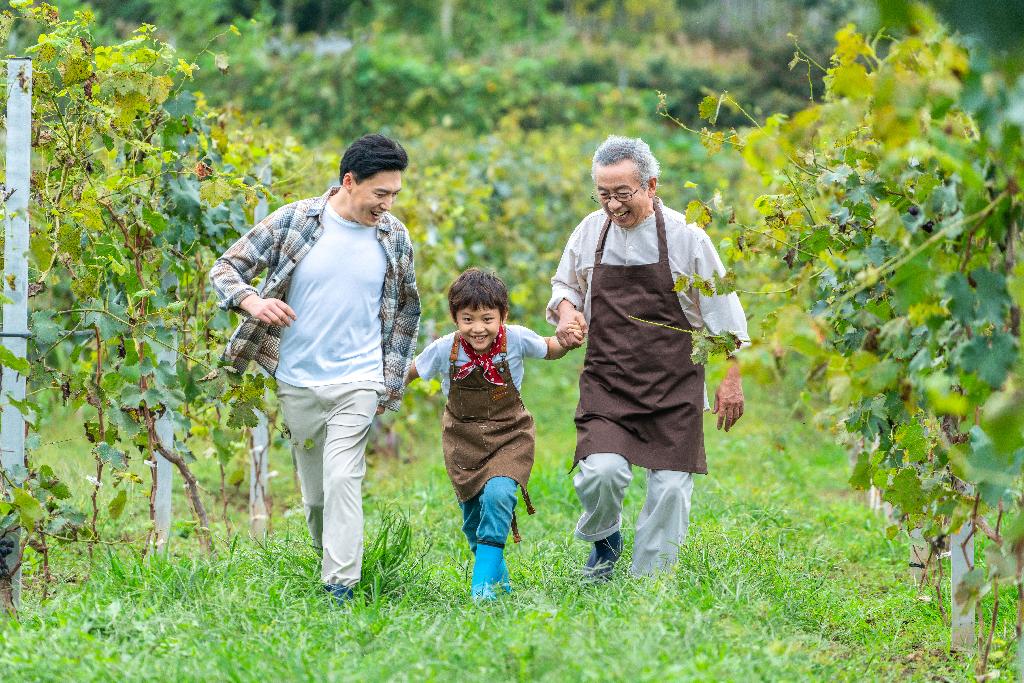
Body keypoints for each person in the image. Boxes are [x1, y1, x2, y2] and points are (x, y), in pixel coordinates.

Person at [209, 134, 420, 604]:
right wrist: (252, 302)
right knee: (318, 497)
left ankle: (340, 586)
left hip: (359, 378)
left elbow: (407, 308)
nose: (386, 205)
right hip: (298, 380)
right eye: (379, 194)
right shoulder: (295, 221)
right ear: (349, 181)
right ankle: (328, 554)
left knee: (345, 477)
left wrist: (389, 377)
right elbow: (225, 267)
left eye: (394, 195)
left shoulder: (394, 236)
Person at [548, 135, 749, 581]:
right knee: (600, 473)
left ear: (652, 185)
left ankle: (649, 584)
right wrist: (567, 313)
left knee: (672, 488)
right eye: (603, 194)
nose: (613, 206)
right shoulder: (589, 231)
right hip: (609, 380)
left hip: (673, 381)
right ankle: (605, 538)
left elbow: (725, 315)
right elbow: (566, 287)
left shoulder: (687, 238)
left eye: (623, 193)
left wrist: (731, 376)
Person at [406, 268, 578, 600]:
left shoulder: (515, 338)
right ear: (455, 318)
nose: (478, 328)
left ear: (503, 316)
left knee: (499, 495)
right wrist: (382, 395)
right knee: (473, 522)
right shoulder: (445, 349)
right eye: (467, 319)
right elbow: (412, 371)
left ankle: (481, 588)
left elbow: (549, 346)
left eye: (487, 318)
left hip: (510, 435)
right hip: (463, 442)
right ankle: (499, 585)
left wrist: (567, 342)